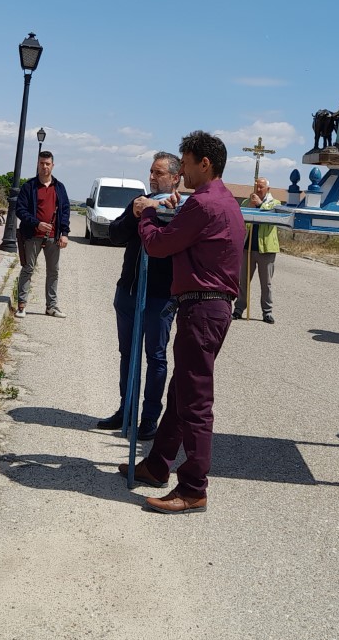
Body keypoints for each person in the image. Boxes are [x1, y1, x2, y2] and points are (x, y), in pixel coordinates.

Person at [119, 131, 244, 514]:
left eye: (186, 163)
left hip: (202, 308)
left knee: (194, 401)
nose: (183, 170)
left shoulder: (205, 204)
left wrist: (148, 214)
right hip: (206, 307)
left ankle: (193, 488)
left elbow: (158, 245)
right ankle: (158, 465)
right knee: (180, 393)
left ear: (204, 163)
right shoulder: (219, 201)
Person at [96, 152, 183, 440]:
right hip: (129, 291)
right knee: (127, 355)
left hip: (160, 297)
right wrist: (135, 215)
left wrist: (160, 211)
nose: (152, 177)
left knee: (155, 357)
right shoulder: (138, 202)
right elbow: (115, 235)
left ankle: (148, 419)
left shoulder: (182, 208)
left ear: (175, 177)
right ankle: (126, 410)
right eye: (151, 171)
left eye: (158, 173)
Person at [14, 150, 71, 318]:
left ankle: (51, 307)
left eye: (47, 164)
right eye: (41, 163)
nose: (44, 166)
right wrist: (36, 223)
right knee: (28, 269)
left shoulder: (59, 188)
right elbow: (20, 210)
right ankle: (22, 305)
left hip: (54, 237)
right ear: (37, 165)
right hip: (32, 236)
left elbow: (65, 211)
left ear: (52, 165)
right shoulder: (29, 186)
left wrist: (64, 233)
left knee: (53, 271)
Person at [233, 176, 280, 324]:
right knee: (243, 281)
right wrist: (252, 207)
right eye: (256, 187)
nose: (258, 190)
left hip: (266, 249)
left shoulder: (275, 203)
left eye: (261, 187)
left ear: (268, 189)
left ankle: (267, 312)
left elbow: (272, 216)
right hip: (247, 248)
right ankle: (239, 309)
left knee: (266, 283)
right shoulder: (247, 203)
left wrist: (259, 205)